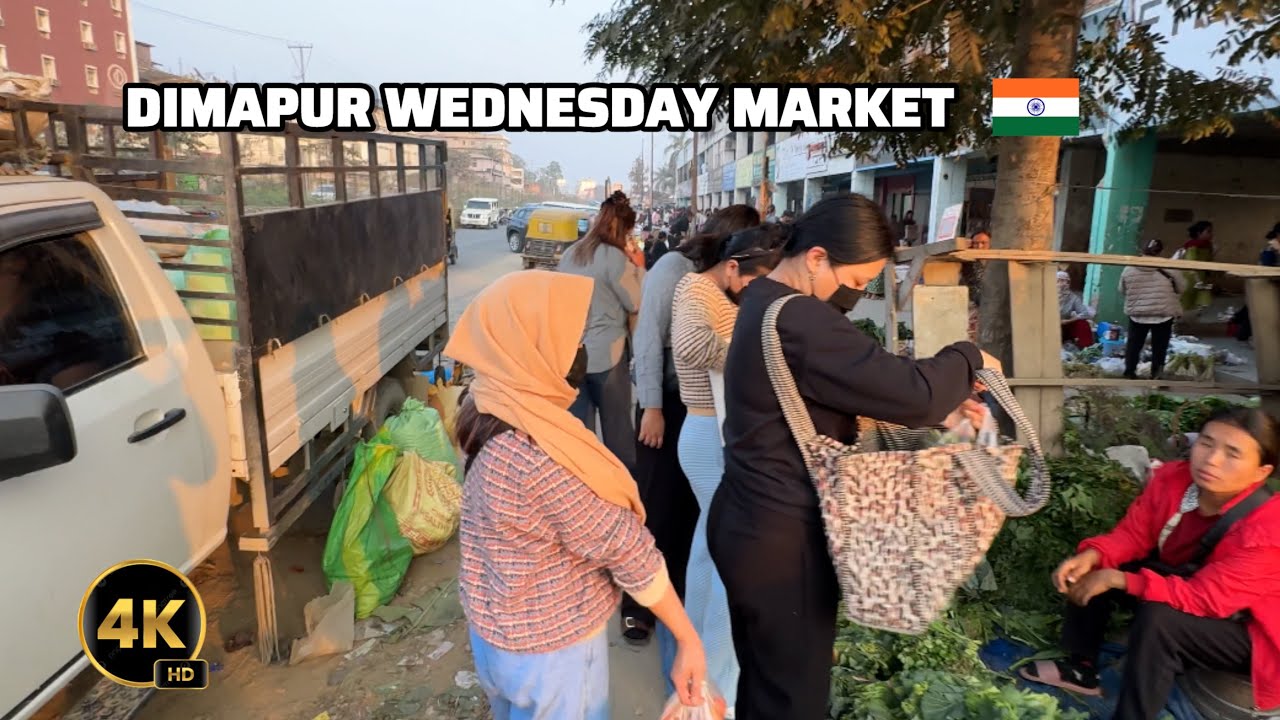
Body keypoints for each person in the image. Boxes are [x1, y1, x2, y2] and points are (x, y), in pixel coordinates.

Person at [708, 194, 999, 719]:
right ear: (817, 258)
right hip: (783, 544)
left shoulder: (763, 299)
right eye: (860, 281)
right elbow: (914, 392)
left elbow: (839, 386)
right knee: (792, 699)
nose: (857, 295)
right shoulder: (799, 317)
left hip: (745, 522)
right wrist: (967, 356)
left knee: (766, 682)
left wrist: (945, 414)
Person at [445, 271, 707, 719]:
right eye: (570, 339)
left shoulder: (486, 401)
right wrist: (688, 639)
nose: (579, 351)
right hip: (551, 655)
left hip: (494, 635)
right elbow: (630, 553)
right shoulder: (539, 455)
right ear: (528, 347)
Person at [1021, 408, 1280, 719]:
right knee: (1094, 568)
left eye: (1232, 454)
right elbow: (1135, 533)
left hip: (1251, 631)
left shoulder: (1268, 528)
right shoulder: (1175, 480)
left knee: (1160, 620)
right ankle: (1082, 668)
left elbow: (1206, 598)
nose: (1211, 460)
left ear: (1261, 472)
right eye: (1207, 443)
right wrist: (1093, 556)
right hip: (1194, 584)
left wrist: (1118, 580)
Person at [625, 205, 760, 666]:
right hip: (664, 400)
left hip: (701, 404)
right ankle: (638, 609)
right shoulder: (676, 269)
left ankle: (676, 605)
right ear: (730, 244)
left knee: (690, 514)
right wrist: (653, 409)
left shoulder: (726, 283)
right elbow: (648, 339)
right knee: (658, 507)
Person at [671, 224, 786, 713]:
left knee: (709, 550)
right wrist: (768, 359)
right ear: (732, 265)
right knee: (731, 566)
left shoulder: (720, 294)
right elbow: (693, 348)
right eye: (755, 283)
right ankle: (715, 688)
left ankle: (695, 666)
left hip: (712, 435)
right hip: (706, 435)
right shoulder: (696, 287)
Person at [558, 190, 644, 471]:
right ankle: (624, 497)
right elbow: (636, 302)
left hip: (571, 356)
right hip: (608, 356)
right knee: (618, 437)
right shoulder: (614, 257)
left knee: (579, 436)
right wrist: (638, 267)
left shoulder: (572, 253)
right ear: (625, 228)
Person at [1118, 239, 1186, 380]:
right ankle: (1156, 375)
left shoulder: (1128, 268)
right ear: (1160, 251)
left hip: (1138, 313)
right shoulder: (1170, 267)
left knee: (1134, 344)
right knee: (1160, 347)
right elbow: (1182, 288)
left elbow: (1122, 289)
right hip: (1163, 314)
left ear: (1141, 251)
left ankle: (1129, 372)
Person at [1177, 220, 1215, 313]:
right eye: (1208, 231)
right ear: (1199, 233)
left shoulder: (1208, 245)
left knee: (1201, 300)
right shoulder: (1192, 245)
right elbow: (1190, 262)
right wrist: (1197, 277)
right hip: (1190, 277)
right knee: (1187, 300)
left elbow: (1208, 260)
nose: (1211, 234)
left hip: (1201, 276)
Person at [1058, 270, 1096, 349]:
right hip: (1047, 327)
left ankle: (1086, 350)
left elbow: (1085, 313)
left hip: (1064, 327)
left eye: (1067, 282)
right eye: (1061, 281)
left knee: (1083, 323)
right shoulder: (1045, 294)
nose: (1064, 284)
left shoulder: (1072, 297)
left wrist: (1069, 321)